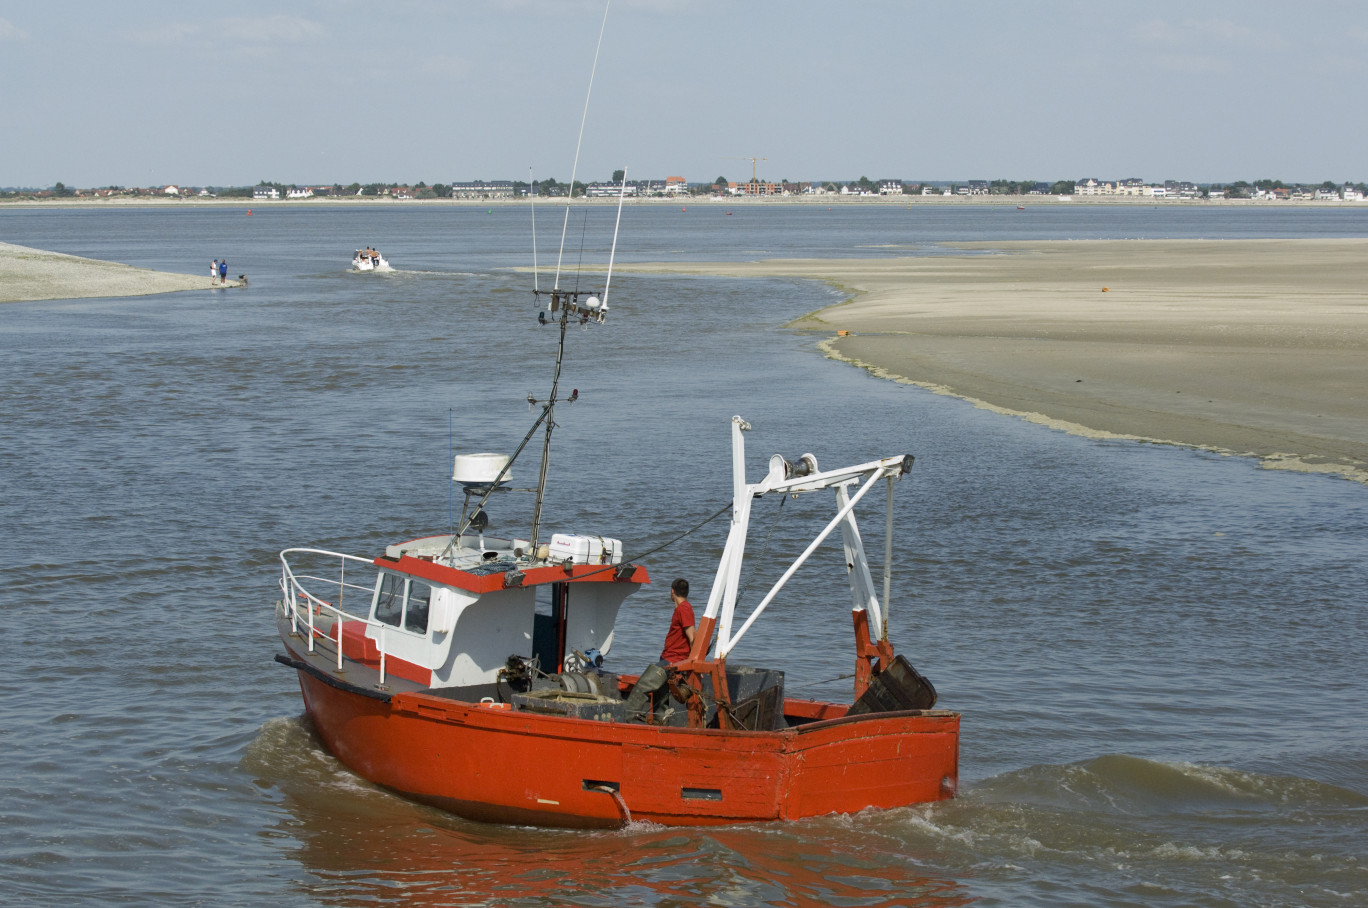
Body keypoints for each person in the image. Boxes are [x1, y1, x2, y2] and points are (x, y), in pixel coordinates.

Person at [659, 578, 695, 666]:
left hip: (674, 660)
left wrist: (693, 663)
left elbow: (692, 638)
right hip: (669, 657)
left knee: (646, 679)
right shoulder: (681, 608)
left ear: (672, 591)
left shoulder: (684, 609)